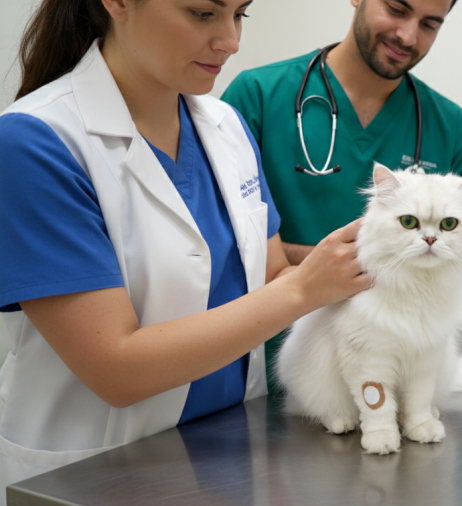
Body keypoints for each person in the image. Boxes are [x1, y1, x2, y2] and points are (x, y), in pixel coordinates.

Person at [0, 0, 369, 488]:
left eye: (240, 15)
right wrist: (305, 288)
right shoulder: (34, 142)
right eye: (202, 14)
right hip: (100, 475)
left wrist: (367, 271)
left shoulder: (227, 127)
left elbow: (270, 275)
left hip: (231, 454)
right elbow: (117, 370)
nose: (231, 41)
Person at [221, 0, 462, 388]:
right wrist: (354, 258)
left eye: (430, 24)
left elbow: (459, 250)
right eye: (397, 9)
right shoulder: (258, 94)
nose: (408, 36)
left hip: (390, 368)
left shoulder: (448, 122)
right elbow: (215, 236)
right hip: (267, 359)